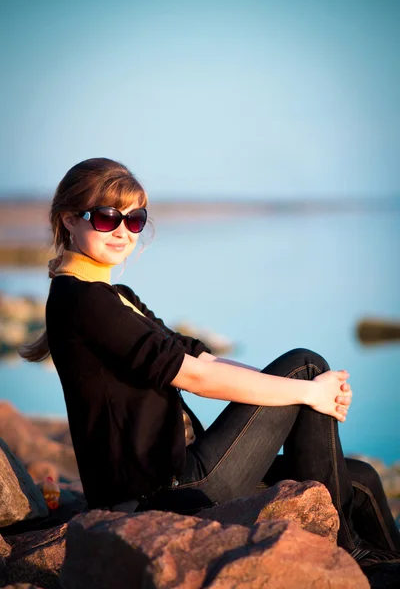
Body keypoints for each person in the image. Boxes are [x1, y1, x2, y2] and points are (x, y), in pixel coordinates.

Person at [20, 157, 400, 572]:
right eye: (109, 217)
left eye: (134, 220)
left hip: (181, 474)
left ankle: (386, 565)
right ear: (69, 220)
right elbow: (195, 376)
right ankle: (340, 554)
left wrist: (316, 395)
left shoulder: (114, 295)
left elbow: (200, 355)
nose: (123, 232)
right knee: (306, 366)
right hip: (157, 492)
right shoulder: (83, 300)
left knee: (360, 476)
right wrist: (309, 390)